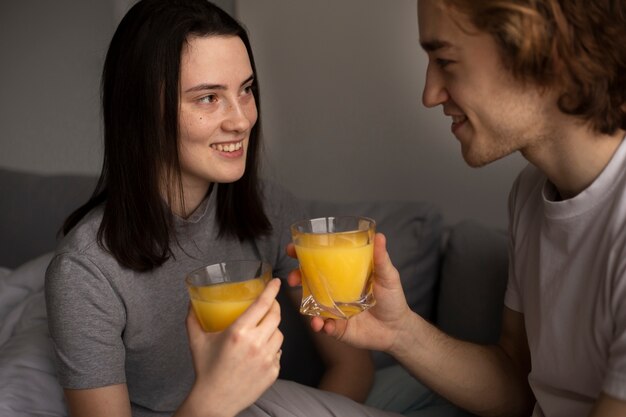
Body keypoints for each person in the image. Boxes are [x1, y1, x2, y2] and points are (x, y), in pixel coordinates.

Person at [288, 1, 626, 416]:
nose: (429, 94)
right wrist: (398, 332)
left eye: (445, 60)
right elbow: (518, 384)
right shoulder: (531, 192)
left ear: (545, 52)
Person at [44, 1, 375, 416]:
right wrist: (216, 396)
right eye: (208, 98)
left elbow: (352, 365)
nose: (241, 120)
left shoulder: (270, 209)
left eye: (246, 89)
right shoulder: (85, 273)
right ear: (141, 112)